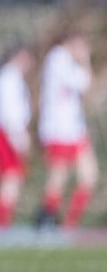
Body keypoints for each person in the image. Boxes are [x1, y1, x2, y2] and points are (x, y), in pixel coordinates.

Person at [36, 31, 95, 229]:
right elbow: (82, 83)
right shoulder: (57, 58)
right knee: (58, 175)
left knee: (89, 176)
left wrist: (84, 61)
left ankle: (70, 223)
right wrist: (84, 60)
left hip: (75, 129)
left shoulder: (67, 61)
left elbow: (85, 84)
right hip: (59, 128)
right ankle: (47, 216)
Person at [0, 43, 33, 229]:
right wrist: (17, 135)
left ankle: (3, 223)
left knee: (12, 178)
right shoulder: (8, 77)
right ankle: (1, 224)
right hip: (6, 132)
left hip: (8, 131)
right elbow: (7, 111)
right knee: (10, 177)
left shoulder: (12, 76)